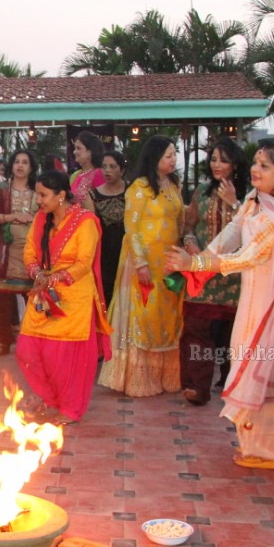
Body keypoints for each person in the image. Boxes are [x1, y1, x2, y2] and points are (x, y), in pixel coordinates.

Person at [166, 140, 274, 470]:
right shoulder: (254, 201)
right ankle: (255, 446)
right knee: (247, 357)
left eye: (265, 166)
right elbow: (231, 234)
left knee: (262, 363)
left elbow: (249, 257)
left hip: (273, 298)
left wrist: (196, 267)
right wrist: (199, 260)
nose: (255, 169)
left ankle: (273, 450)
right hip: (255, 293)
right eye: (256, 162)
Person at [17, 169, 112, 424]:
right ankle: (48, 397)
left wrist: (55, 279)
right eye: (37, 194)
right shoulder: (41, 218)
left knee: (64, 358)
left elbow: (84, 263)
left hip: (74, 297)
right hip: (44, 293)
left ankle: (69, 408)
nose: (38, 200)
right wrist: (37, 272)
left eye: (43, 195)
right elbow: (29, 252)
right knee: (28, 349)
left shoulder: (86, 221)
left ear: (60, 195)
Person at [98, 135, 184, 397]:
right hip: (143, 264)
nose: (173, 160)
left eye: (174, 155)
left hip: (169, 263)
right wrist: (141, 263)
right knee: (144, 317)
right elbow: (131, 228)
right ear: (154, 158)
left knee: (167, 319)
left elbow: (179, 220)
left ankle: (165, 378)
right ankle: (138, 380)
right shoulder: (140, 187)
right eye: (168, 155)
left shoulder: (172, 185)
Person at [177, 139, 248, 405]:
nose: (217, 165)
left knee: (236, 333)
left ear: (236, 164)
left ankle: (234, 386)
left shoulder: (250, 195)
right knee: (197, 328)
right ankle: (198, 387)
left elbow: (255, 230)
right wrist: (191, 244)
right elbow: (188, 226)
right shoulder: (203, 192)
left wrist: (233, 203)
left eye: (224, 160)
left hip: (236, 274)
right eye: (214, 159)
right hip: (203, 271)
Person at [0, 148, 38, 355]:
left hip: (32, 250)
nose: (19, 165)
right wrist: (15, 216)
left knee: (36, 298)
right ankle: (3, 341)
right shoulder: (2, 188)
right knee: (3, 297)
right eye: (16, 161)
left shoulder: (39, 189)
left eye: (25, 162)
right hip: (6, 251)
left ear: (31, 167)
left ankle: (36, 343)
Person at [83, 151, 128, 306]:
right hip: (104, 252)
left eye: (112, 166)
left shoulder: (132, 191)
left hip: (128, 251)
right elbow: (90, 229)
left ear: (122, 170)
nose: (107, 170)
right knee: (107, 293)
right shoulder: (92, 195)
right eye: (104, 167)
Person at [69, 130, 105, 206]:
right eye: (74, 148)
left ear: (90, 151)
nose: (74, 152)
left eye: (78, 148)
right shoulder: (76, 174)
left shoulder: (98, 174)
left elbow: (101, 203)